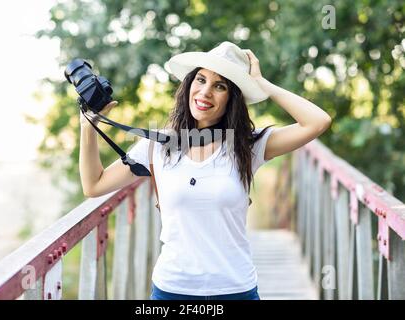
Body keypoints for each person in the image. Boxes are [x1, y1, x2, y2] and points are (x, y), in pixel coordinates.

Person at [79, 41, 332, 300]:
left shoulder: (248, 145)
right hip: (171, 290)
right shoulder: (158, 145)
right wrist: (88, 125)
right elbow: (94, 185)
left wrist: (261, 83)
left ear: (232, 98)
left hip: (235, 289)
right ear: (189, 85)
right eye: (200, 80)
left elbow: (318, 122)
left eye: (219, 86)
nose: (205, 92)